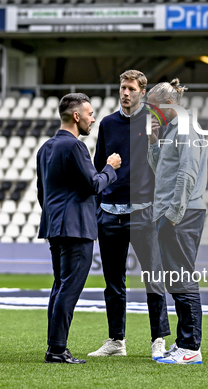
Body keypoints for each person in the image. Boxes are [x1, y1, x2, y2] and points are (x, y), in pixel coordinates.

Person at [89, 70, 171, 360]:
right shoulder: (108, 124)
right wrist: (99, 205)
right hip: (110, 214)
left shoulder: (154, 122)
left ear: (142, 93)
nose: (125, 93)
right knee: (113, 282)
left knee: (153, 277)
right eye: (122, 87)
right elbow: (99, 166)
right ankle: (116, 341)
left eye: (131, 89)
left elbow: (164, 165)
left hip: (143, 214)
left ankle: (158, 339)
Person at [37, 93, 122, 364]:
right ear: (77, 116)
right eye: (90, 113)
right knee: (70, 288)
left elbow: (42, 193)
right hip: (77, 228)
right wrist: (110, 168)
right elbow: (94, 184)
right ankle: (57, 349)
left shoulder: (45, 148)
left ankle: (55, 346)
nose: (93, 118)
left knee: (60, 286)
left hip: (54, 226)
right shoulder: (76, 147)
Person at [147, 79, 207, 365]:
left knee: (182, 278)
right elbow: (162, 170)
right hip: (171, 212)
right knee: (176, 279)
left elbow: (187, 172)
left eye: (152, 107)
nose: (150, 113)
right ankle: (184, 342)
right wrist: (153, 143)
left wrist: (173, 213)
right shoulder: (171, 129)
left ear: (168, 105)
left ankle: (191, 347)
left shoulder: (185, 127)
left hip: (181, 213)